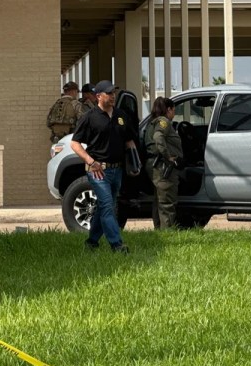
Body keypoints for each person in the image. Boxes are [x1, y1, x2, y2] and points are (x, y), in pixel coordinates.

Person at [70, 80, 137, 253]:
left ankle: (92, 242)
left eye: (114, 93)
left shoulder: (121, 115)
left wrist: (135, 160)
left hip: (117, 170)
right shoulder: (89, 117)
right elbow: (75, 144)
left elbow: (129, 140)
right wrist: (91, 162)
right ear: (99, 96)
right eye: (109, 93)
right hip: (98, 171)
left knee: (103, 207)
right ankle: (117, 244)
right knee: (108, 206)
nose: (113, 96)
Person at [144, 96, 183, 229]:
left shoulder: (152, 122)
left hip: (154, 164)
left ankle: (159, 230)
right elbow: (158, 137)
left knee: (159, 200)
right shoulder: (163, 122)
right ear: (168, 109)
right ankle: (167, 232)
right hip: (162, 166)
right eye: (174, 110)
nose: (174, 114)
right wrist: (168, 156)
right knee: (167, 201)